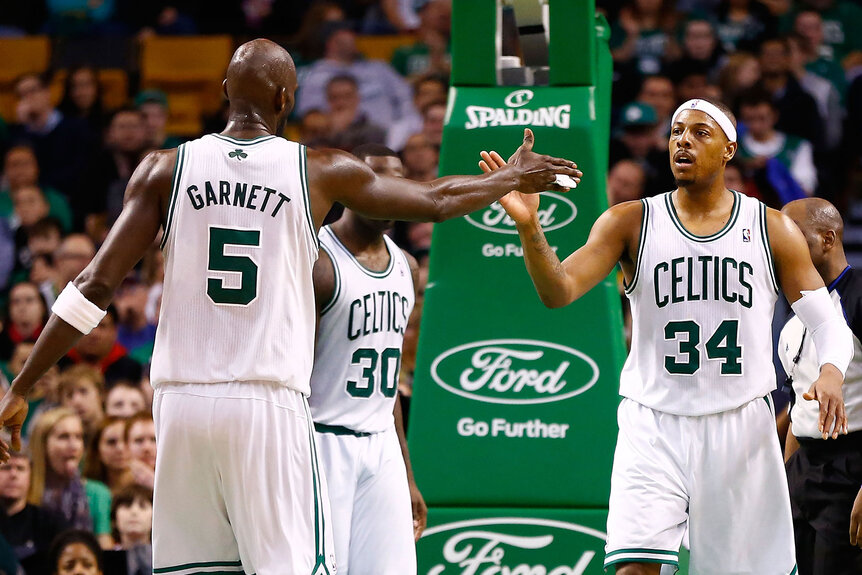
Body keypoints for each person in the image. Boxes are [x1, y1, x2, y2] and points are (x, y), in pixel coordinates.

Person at [0, 38, 579, 575]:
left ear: (225, 90)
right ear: (285, 99)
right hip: (266, 404)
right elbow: (433, 199)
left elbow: (94, 285)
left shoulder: (164, 168)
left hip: (179, 406)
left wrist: (23, 384)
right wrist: (509, 176)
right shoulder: (318, 170)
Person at [479, 97, 851, 574]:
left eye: (700, 132)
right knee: (636, 568)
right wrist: (530, 225)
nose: (683, 141)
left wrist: (832, 371)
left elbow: (828, 322)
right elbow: (559, 291)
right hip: (653, 423)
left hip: (739, 426)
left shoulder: (771, 228)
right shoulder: (629, 220)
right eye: (677, 131)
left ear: (729, 149)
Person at [310, 144, 426, 575]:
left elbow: (390, 376)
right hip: (321, 440)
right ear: (348, 187)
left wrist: (407, 473)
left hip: (381, 446)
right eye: (377, 179)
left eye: (399, 180)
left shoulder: (407, 267)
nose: (390, 191)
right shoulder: (317, 260)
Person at [778, 198, 862, 573]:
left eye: (794, 235)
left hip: (851, 467)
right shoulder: (795, 316)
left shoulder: (859, 298)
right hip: (803, 469)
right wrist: (785, 477)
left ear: (827, 238)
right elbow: (800, 408)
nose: (784, 245)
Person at [28, 408, 112, 548]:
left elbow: (104, 547)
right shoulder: (24, 491)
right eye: (63, 437)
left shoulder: (97, 493)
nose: (74, 446)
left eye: (78, 437)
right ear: (42, 444)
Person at [0, 452, 69, 575]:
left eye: (20, 468)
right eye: (6, 468)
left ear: (30, 476)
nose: (13, 474)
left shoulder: (52, 523)